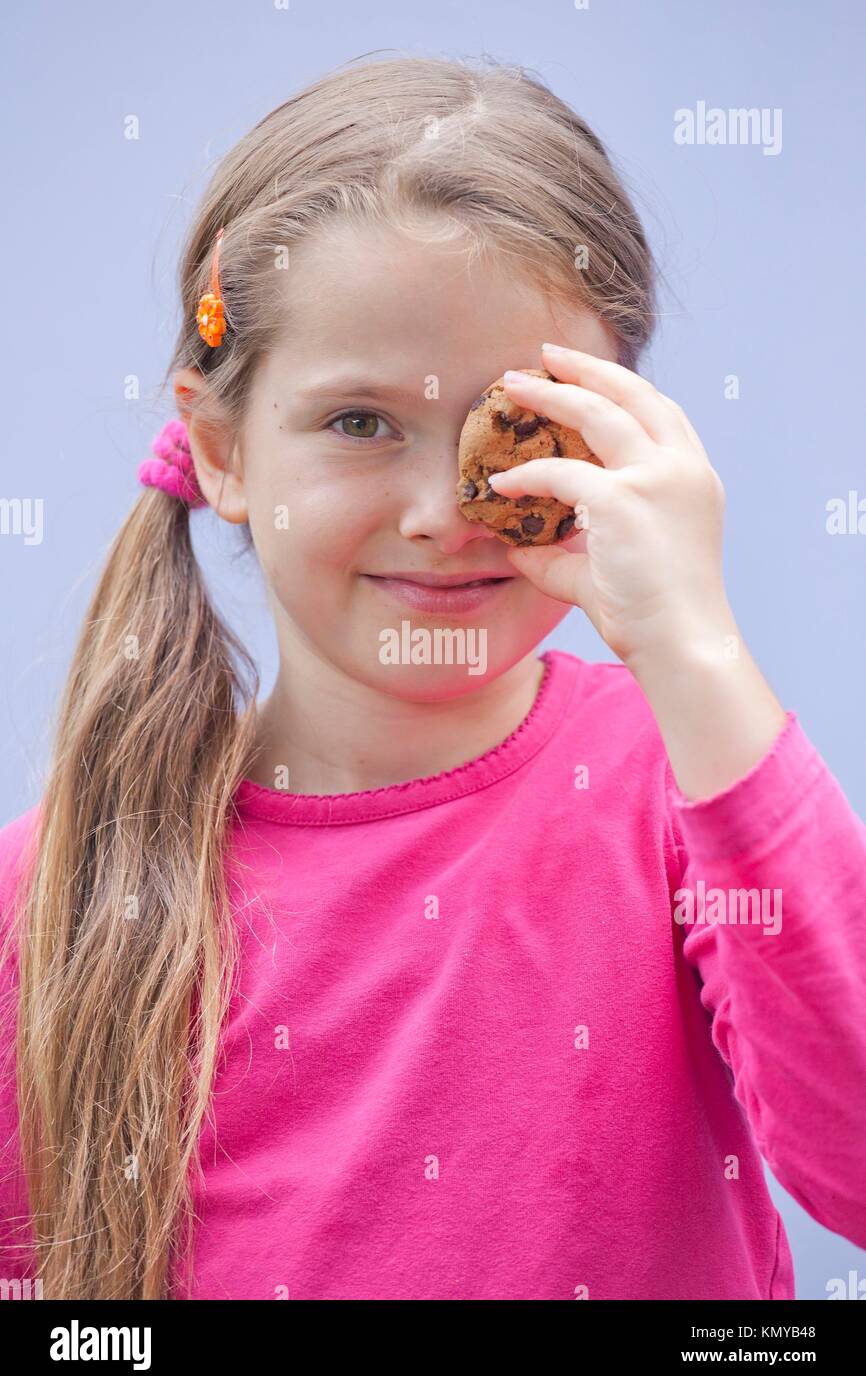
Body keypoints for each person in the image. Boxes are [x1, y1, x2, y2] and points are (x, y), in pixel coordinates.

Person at [1, 54, 864, 1300]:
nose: (441, 514)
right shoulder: (61, 891)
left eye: (517, 428)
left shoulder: (681, 785)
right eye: (359, 423)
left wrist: (694, 649)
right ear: (222, 447)